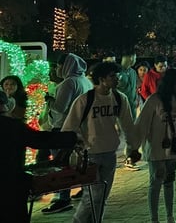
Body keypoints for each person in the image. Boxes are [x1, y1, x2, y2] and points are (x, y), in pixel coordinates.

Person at [62, 60, 137, 223]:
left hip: (110, 154)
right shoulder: (85, 100)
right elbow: (69, 127)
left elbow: (128, 125)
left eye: (117, 76)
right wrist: (77, 145)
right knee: (93, 196)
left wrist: (133, 147)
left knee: (102, 196)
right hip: (90, 155)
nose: (117, 79)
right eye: (113, 76)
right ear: (102, 79)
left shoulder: (119, 98)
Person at [0, 90, 77, 223]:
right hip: (10, 184)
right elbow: (39, 140)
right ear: (4, 105)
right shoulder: (12, 126)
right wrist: (72, 138)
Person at [132, 67, 176, 223]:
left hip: (173, 147)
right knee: (156, 182)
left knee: (170, 181)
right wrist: (134, 147)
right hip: (156, 147)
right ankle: (154, 218)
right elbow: (142, 124)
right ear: (170, 82)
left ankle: (170, 216)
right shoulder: (154, 100)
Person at [43, 52, 92, 215]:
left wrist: (49, 99)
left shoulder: (68, 83)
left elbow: (59, 108)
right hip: (81, 128)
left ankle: (63, 198)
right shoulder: (85, 81)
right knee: (78, 161)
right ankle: (84, 190)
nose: (57, 68)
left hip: (63, 128)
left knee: (61, 164)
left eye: (59, 65)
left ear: (66, 66)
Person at [116, 52, 139, 120]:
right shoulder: (118, 72)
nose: (135, 60)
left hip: (132, 104)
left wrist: (136, 98)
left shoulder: (133, 72)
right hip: (122, 104)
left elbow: (135, 87)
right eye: (134, 58)